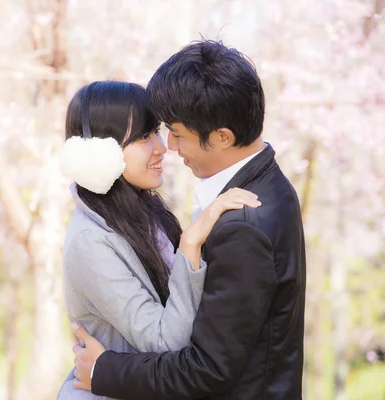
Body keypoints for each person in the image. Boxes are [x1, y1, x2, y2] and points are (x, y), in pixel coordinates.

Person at [71, 40, 306, 400]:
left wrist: (106, 370)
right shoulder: (266, 187)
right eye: (148, 136)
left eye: (175, 134)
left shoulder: (242, 221)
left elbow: (207, 368)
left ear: (222, 136)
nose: (169, 147)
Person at [56, 80, 261, 400]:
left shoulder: (144, 214)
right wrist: (190, 245)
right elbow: (165, 343)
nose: (162, 147)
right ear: (99, 155)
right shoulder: (91, 242)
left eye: (156, 132)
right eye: (142, 137)